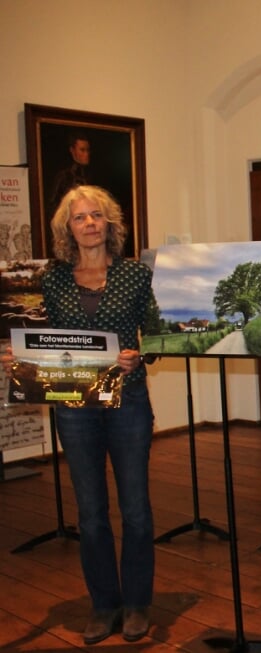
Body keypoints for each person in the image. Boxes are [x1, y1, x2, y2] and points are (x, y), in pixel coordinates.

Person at [3, 185, 155, 644]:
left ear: (109, 223)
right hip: (74, 404)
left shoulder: (136, 276)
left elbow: (160, 336)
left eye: (96, 216)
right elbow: (36, 337)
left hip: (127, 399)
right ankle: (103, 604)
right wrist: (15, 356)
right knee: (89, 512)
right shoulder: (50, 279)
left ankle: (137, 605)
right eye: (79, 218)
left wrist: (138, 355)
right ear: (66, 228)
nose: (89, 224)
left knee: (136, 510)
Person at [48, 133, 91, 215]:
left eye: (88, 150)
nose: (86, 154)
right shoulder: (64, 176)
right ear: (72, 150)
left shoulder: (89, 176)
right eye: (82, 150)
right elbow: (53, 204)